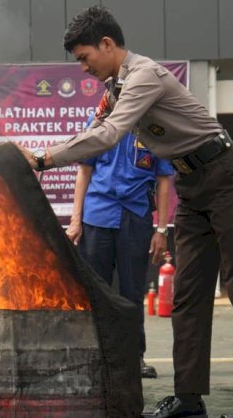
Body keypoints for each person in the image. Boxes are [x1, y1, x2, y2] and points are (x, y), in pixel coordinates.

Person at [16, 6, 233, 418]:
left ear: (107, 44)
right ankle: (188, 399)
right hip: (190, 184)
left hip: (227, 176)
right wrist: (42, 154)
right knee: (188, 296)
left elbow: (108, 135)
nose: (83, 68)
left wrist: (43, 159)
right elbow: (93, 130)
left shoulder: (144, 76)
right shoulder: (114, 88)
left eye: (85, 57)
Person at [66, 113, 174, 380]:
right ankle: (97, 358)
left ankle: (133, 358)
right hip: (97, 216)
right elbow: (84, 171)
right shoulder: (99, 123)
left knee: (132, 293)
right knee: (96, 292)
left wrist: (161, 229)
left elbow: (164, 180)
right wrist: (75, 220)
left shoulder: (155, 127)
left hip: (135, 219)